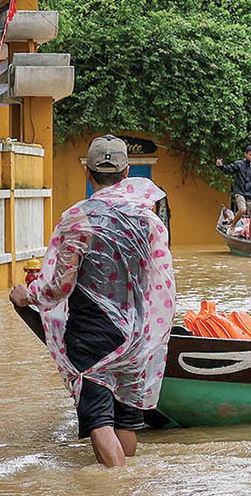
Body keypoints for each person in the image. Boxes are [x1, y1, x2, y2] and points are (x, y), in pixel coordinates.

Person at [8, 135, 175, 467]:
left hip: (92, 332)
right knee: (127, 420)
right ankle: (131, 490)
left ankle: (117, 489)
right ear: (126, 173)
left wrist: (29, 295)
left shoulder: (78, 219)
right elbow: (160, 281)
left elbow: (60, 285)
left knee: (99, 419)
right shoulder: (148, 220)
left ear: (87, 171)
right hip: (137, 332)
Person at [217, 145, 251, 242]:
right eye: (250, 155)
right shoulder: (239, 164)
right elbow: (228, 170)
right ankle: (233, 225)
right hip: (240, 192)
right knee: (242, 209)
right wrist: (221, 166)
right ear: (245, 154)